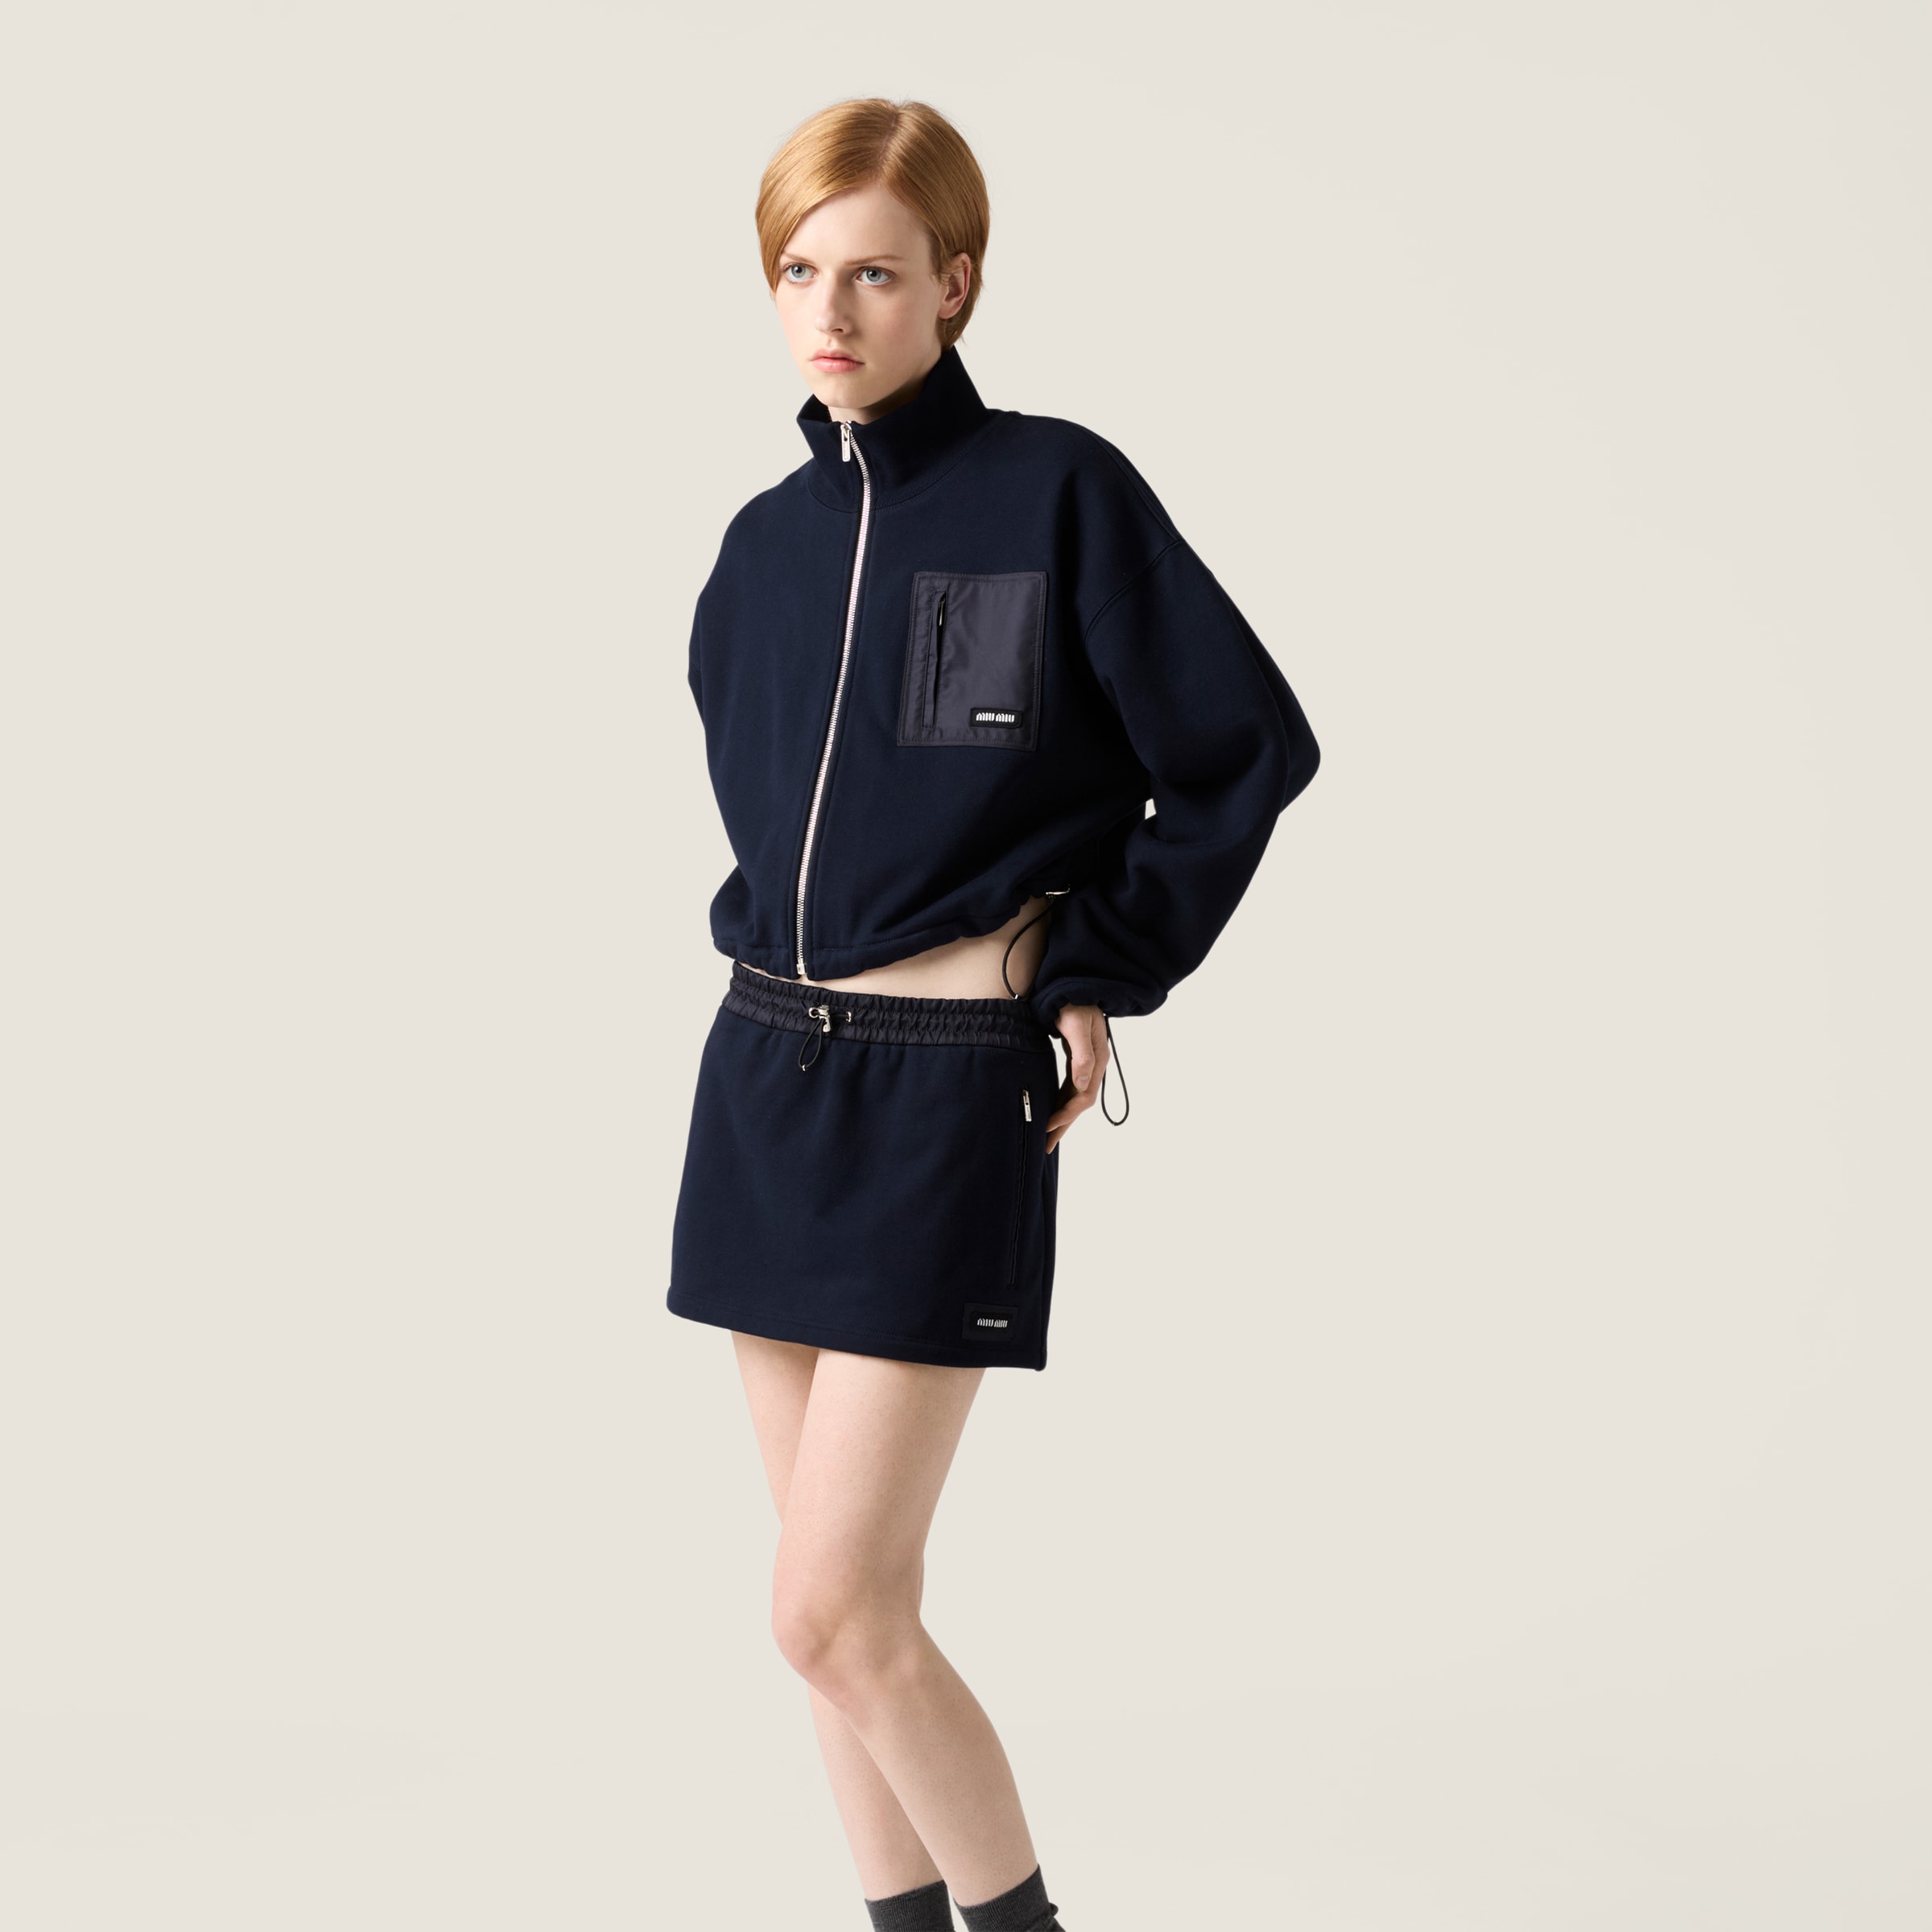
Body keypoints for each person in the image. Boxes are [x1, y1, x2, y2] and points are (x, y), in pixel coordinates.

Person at [667, 97, 1320, 1932]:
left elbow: (1244, 752)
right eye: (801, 270)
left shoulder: (1057, 494)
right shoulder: (759, 550)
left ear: (954, 284)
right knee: (822, 1623)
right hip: (764, 1076)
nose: (832, 311)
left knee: (835, 1611)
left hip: (943, 1087)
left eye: (877, 273)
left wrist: (1099, 960)